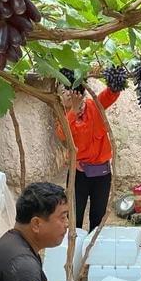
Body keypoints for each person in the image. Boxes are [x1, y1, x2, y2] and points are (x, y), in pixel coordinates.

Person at [56, 69, 121, 232]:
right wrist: (73, 111)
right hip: (79, 174)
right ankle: (74, 248)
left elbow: (111, 94)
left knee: (98, 216)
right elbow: (63, 134)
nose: (63, 95)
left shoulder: (95, 106)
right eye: (61, 92)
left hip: (102, 173)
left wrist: (114, 77)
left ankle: (94, 250)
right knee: (74, 216)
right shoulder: (64, 116)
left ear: (76, 91)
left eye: (65, 91)